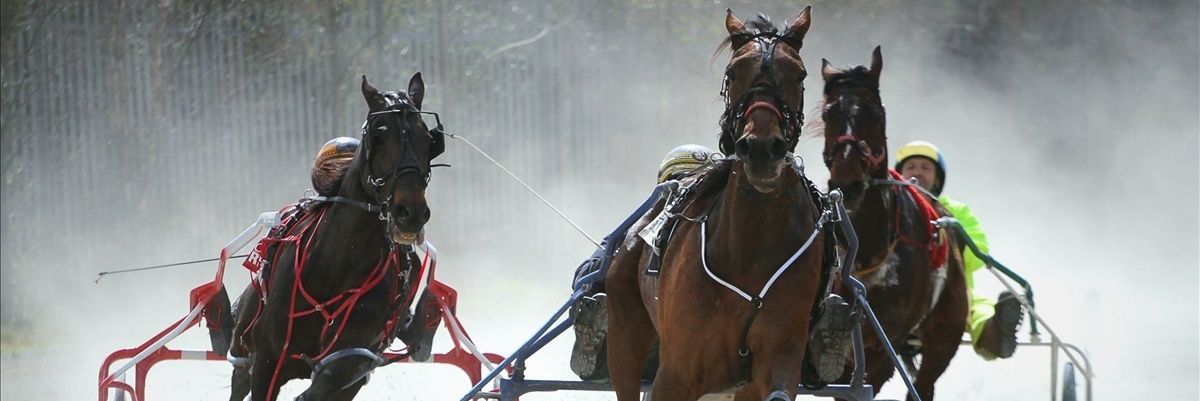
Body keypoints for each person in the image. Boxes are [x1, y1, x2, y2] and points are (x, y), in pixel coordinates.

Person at [895, 140, 1023, 360]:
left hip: (949, 294)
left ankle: (995, 333)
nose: (917, 173)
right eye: (911, 167)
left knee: (978, 309)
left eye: (925, 168)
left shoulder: (954, 210)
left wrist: (946, 249)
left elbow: (978, 250)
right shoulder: (891, 207)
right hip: (896, 294)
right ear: (898, 174)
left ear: (937, 179)